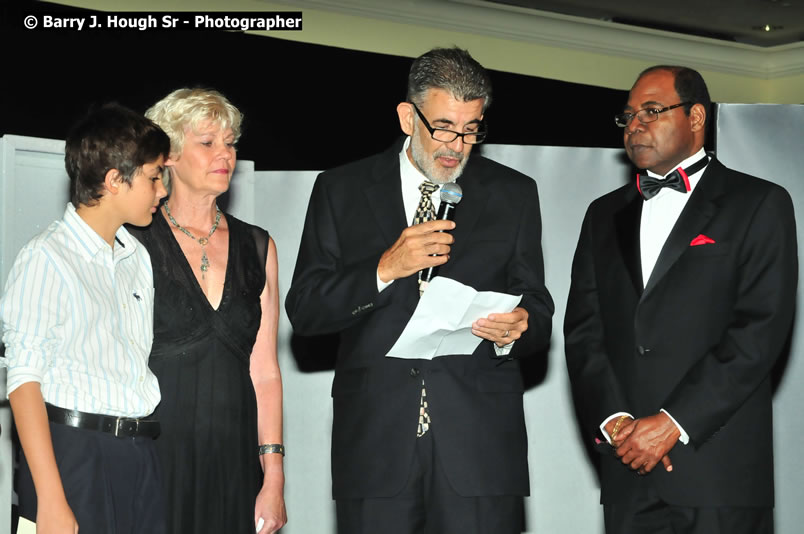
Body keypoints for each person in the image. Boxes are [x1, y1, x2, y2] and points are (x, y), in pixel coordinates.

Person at [286, 47, 554, 534]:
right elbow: (305, 310)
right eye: (445, 127)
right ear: (408, 116)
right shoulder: (340, 189)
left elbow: (536, 304)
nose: (458, 145)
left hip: (480, 449)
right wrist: (384, 270)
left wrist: (519, 327)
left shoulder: (513, 193)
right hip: (375, 444)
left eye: (472, 129)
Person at [564, 65, 798, 534]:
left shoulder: (758, 203)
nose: (635, 125)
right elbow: (583, 330)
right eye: (628, 115)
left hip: (718, 473)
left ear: (696, 118)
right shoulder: (602, 214)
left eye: (652, 111)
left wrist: (673, 422)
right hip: (627, 471)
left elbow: (759, 330)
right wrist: (614, 421)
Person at [1, 103, 169, 533]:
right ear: (115, 180)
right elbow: (24, 384)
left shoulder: (138, 258)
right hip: (72, 456)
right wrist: (52, 500)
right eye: (153, 176)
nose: (162, 190)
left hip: (139, 454)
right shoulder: (46, 256)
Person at [130, 88, 286, 534]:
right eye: (208, 142)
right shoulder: (132, 240)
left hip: (235, 460)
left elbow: (266, 372)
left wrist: (273, 477)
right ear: (171, 154)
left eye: (231, 143)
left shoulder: (259, 247)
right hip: (154, 454)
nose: (226, 154)